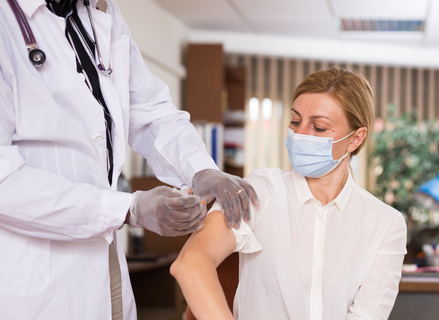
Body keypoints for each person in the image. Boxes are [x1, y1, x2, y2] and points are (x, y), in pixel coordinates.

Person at [0, 0, 257, 319]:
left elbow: (152, 113)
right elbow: (5, 181)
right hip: (32, 267)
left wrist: (200, 169)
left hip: (103, 254)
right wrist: (127, 208)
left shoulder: (100, 13)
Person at [171, 68, 408, 320]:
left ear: (355, 139)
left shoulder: (385, 224)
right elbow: (191, 262)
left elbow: (367, 315)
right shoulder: (259, 191)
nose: (300, 134)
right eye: (295, 122)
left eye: (318, 127)